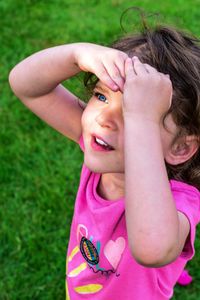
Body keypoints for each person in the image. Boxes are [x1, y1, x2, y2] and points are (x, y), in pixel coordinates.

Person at [9, 19, 200, 299]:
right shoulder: (105, 147)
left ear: (181, 148)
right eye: (101, 95)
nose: (104, 118)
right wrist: (77, 54)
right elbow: (26, 85)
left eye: (131, 113)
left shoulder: (180, 202)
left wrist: (140, 118)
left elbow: (152, 248)